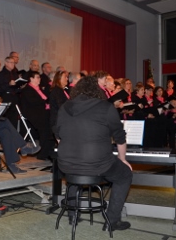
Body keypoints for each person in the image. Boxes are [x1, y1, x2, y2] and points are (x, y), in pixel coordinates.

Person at [54, 76, 132, 231]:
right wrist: (122, 159)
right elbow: (119, 137)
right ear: (97, 90)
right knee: (124, 175)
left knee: (73, 174)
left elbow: (57, 135)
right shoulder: (106, 107)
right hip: (97, 163)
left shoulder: (64, 107)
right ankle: (112, 221)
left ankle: (72, 216)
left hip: (66, 163)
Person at [20, 71, 52, 161]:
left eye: (39, 77)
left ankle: (48, 151)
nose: (39, 79)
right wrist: (46, 103)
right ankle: (43, 153)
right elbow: (33, 102)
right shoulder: (27, 89)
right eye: (37, 77)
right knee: (45, 127)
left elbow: (45, 99)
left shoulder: (39, 88)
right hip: (32, 113)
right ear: (31, 79)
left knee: (52, 122)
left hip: (41, 112)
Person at [0, 56, 22, 128]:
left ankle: (13, 136)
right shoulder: (1, 74)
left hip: (15, 98)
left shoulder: (15, 74)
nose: (13, 64)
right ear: (6, 63)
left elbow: (16, 87)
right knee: (6, 118)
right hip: (6, 98)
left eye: (13, 63)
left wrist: (20, 86)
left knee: (14, 119)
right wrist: (9, 84)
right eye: (11, 62)